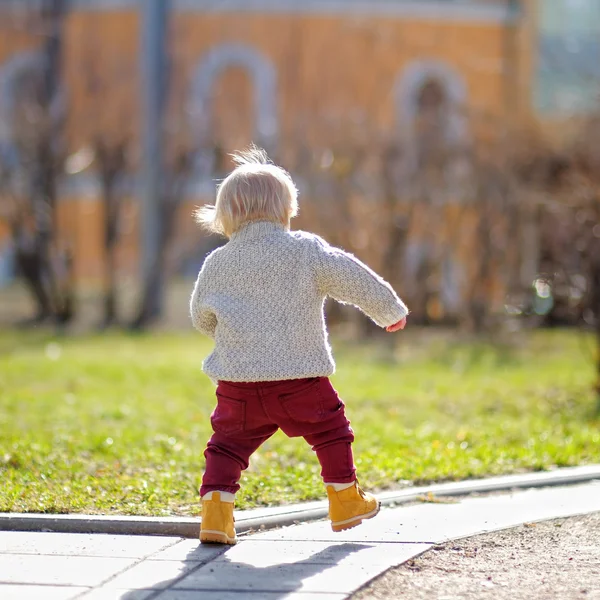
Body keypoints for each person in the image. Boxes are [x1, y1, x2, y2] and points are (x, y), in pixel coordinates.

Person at [190, 147, 408, 545]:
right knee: (331, 432)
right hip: (300, 380)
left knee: (226, 446)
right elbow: (352, 277)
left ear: (225, 216)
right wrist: (388, 309)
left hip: (238, 385)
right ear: (286, 209)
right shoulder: (304, 250)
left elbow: (201, 316)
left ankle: (215, 515)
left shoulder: (217, 262)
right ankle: (345, 501)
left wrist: (236, 338)